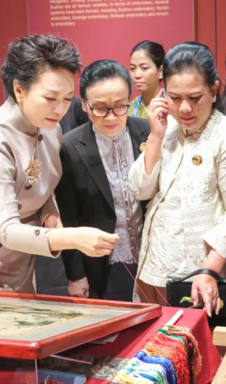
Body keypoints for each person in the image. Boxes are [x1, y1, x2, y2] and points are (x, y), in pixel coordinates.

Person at [0, 34, 119, 292]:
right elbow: (6, 229)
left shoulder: (48, 126)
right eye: (50, 99)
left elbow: (41, 179)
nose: (60, 109)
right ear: (19, 89)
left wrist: (48, 210)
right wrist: (74, 237)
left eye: (66, 98)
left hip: (21, 256)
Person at [128, 42, 226, 316]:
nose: (184, 108)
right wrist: (156, 135)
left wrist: (209, 270)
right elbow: (139, 189)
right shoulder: (167, 127)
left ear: (214, 89)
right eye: (174, 97)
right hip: (154, 266)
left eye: (195, 97)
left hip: (204, 273)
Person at [56, 60, 150, 301]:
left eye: (120, 106)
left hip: (151, 257)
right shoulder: (69, 146)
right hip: (102, 261)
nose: (111, 117)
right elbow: (69, 215)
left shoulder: (148, 132)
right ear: (85, 104)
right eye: (100, 108)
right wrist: (75, 275)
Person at [128, 40, 166, 118]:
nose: (137, 75)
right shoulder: (129, 108)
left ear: (161, 71)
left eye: (144, 68)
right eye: (132, 68)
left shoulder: (171, 104)